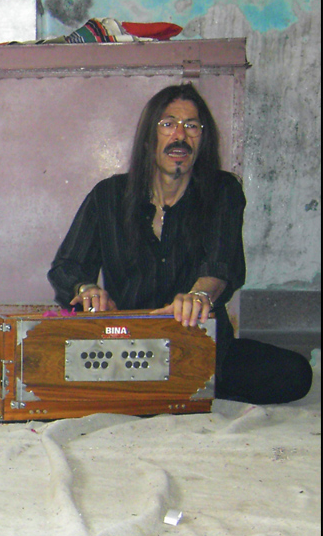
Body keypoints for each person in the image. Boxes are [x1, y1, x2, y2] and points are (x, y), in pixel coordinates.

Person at [49, 82, 313, 405]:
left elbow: (220, 265)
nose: (180, 136)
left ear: (203, 141)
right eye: (168, 124)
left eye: (192, 126)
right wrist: (86, 289)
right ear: (149, 139)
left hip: (202, 347)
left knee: (296, 374)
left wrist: (198, 296)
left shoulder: (223, 192)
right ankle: (166, 388)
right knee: (46, 363)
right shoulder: (108, 196)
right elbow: (66, 267)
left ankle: (176, 386)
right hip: (129, 349)